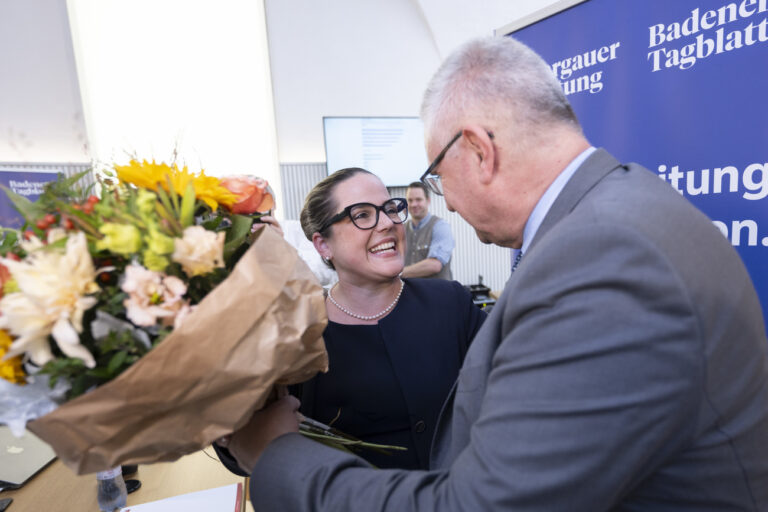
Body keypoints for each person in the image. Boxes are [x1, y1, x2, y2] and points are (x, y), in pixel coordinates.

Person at [226, 36, 768, 510]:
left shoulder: (602, 259)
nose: (449, 205)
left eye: (438, 175)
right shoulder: (622, 212)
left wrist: (275, 455)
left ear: (479, 152)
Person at [216, 167, 485, 471]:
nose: (387, 223)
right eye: (362, 215)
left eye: (390, 209)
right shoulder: (296, 330)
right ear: (323, 245)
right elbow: (247, 446)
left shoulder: (451, 303)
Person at [401, 181, 454, 279]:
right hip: (412, 292)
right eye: (410, 200)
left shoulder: (440, 227)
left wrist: (398, 273)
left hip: (437, 292)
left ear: (428, 200)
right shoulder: (402, 229)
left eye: (418, 199)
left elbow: (434, 265)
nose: (413, 204)